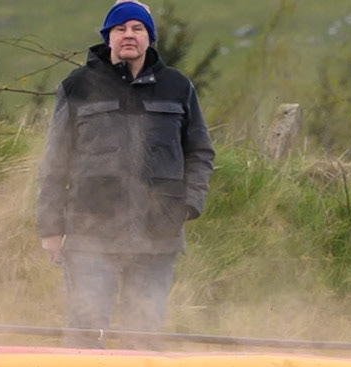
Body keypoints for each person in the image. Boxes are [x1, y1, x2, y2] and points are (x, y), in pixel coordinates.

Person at [35, 1, 216, 340]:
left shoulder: (178, 87)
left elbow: (200, 152)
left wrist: (189, 204)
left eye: (137, 28)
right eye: (120, 29)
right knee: (87, 332)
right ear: (108, 38)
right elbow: (54, 163)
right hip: (90, 233)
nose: (128, 35)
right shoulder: (77, 86)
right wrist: (50, 227)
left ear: (150, 37)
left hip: (157, 234)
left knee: (145, 335)